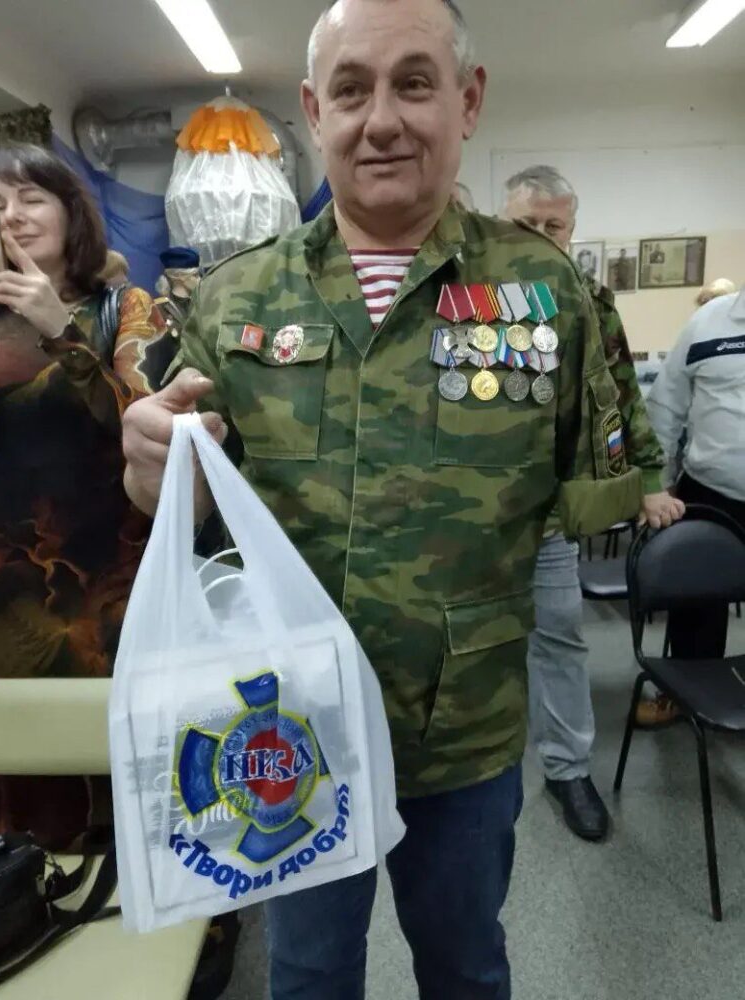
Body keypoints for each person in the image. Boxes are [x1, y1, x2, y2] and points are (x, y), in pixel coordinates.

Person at [122, 3, 642, 997]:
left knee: (466, 967)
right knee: (309, 973)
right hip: (289, 733)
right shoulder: (234, 299)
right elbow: (176, 505)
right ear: (315, 111)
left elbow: (597, 495)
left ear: (468, 101)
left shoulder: (546, 292)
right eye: (352, 90)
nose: (383, 120)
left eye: (414, 82)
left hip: (464, 730)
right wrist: (150, 472)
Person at [503, 165, 684, 840]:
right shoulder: (463, 294)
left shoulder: (592, 301)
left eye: (552, 226)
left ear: (572, 230)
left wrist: (650, 478)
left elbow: (624, 392)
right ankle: (466, 774)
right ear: (500, 223)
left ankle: (567, 768)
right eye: (525, 225)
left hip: (550, 511)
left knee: (559, 636)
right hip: (469, 517)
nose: (539, 236)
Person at [0, 143, 166, 850]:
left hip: (104, 591)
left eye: (31, 198)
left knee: (120, 787)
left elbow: (145, 428)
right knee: (18, 799)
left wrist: (58, 331)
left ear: (71, 212)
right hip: (4, 594)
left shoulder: (126, 308)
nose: (12, 215)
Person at [646, 288, 745, 657]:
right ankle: (687, 684)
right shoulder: (709, 321)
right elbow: (664, 407)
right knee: (696, 619)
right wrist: (658, 483)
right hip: (710, 496)